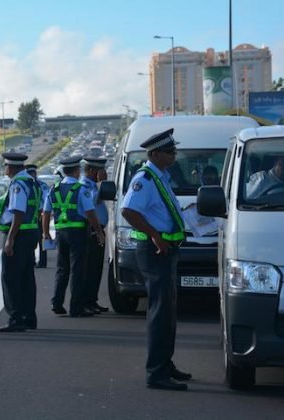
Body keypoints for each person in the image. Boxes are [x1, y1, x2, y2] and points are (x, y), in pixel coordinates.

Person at [120, 128, 191, 391]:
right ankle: (156, 372)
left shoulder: (160, 177)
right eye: (171, 151)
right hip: (155, 251)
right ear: (156, 154)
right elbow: (129, 211)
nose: (175, 155)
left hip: (167, 249)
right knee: (160, 311)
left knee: (168, 311)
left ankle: (166, 364)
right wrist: (155, 237)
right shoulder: (145, 179)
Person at [42, 155, 105, 317]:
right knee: (77, 270)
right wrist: (98, 231)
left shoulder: (54, 189)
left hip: (61, 233)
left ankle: (57, 302)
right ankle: (76, 307)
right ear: (76, 171)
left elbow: (46, 212)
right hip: (78, 233)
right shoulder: (80, 189)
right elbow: (90, 212)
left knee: (62, 269)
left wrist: (45, 232)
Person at [0, 153, 41, 332]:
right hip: (30, 232)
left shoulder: (18, 184)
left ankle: (16, 318)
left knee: (11, 277)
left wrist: (10, 239)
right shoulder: (32, 181)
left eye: (5, 166)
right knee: (26, 277)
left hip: (19, 234)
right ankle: (29, 317)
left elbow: (18, 213)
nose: (5, 169)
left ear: (11, 167)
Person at [80, 156, 109, 314]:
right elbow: (90, 206)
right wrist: (100, 184)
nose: (103, 173)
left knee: (97, 267)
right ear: (91, 171)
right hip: (90, 230)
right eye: (100, 170)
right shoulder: (84, 186)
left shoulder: (94, 186)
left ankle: (92, 300)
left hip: (98, 229)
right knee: (89, 268)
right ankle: (85, 301)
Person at [26, 163, 50, 268]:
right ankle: (31, 260)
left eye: (33, 173)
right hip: (28, 217)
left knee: (41, 239)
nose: (32, 175)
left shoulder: (41, 185)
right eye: (30, 173)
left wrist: (43, 212)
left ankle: (42, 261)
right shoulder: (25, 185)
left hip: (39, 215)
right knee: (30, 239)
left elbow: (46, 200)